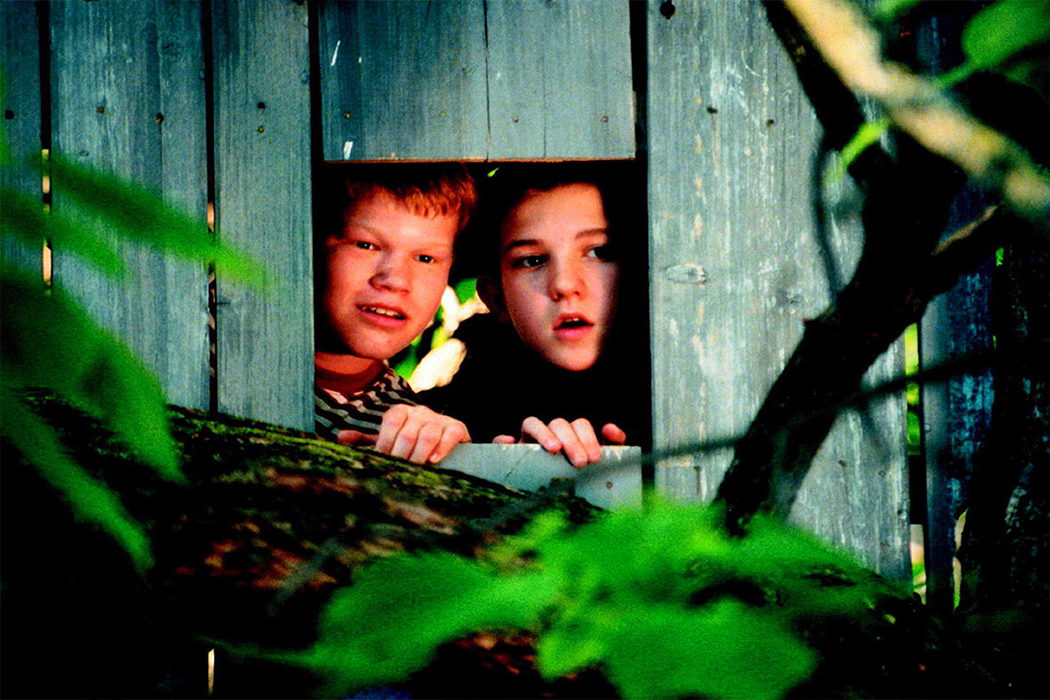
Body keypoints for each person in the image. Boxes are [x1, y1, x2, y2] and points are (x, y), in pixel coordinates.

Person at [423, 163, 649, 467]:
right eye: (532, 260)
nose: (564, 285)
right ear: (496, 297)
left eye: (599, 252)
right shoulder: (450, 420)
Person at [314, 163, 477, 465]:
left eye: (426, 258)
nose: (396, 280)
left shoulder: (398, 428)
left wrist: (446, 454)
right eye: (366, 245)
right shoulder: (206, 346)